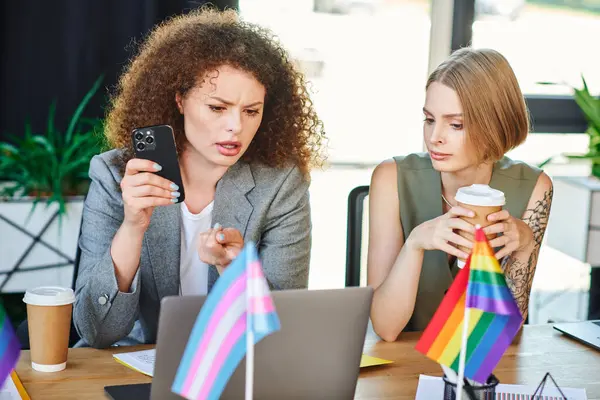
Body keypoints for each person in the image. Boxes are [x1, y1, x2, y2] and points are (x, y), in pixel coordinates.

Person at [73, 7, 325, 348]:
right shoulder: (116, 175)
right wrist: (133, 227)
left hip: (228, 366)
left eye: (251, 111)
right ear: (179, 100)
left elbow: (280, 333)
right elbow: (95, 330)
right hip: (130, 366)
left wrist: (233, 272)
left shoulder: (280, 184)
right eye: (218, 108)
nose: (236, 126)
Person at [367, 47, 553, 342]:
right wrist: (415, 243)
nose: (434, 137)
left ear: (495, 124)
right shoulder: (391, 178)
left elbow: (502, 334)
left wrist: (525, 245)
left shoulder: (534, 187)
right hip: (401, 364)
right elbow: (386, 329)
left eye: (455, 124)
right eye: (429, 119)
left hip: (479, 364)